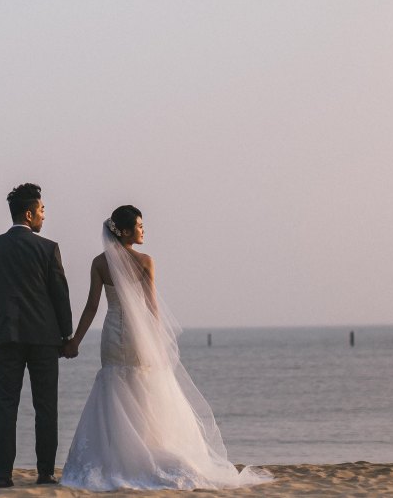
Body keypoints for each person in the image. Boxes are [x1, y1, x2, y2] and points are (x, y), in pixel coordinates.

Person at [60, 205, 271, 491]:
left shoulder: (99, 263)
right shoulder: (146, 261)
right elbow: (152, 309)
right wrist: (156, 340)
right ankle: (146, 450)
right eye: (139, 225)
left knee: (114, 386)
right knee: (145, 388)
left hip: (112, 332)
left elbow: (92, 307)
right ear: (124, 231)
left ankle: (119, 456)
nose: (143, 230)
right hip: (138, 335)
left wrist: (76, 341)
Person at [0, 183, 74, 488]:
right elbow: (60, 295)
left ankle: (3, 476)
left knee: (6, 406)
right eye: (42, 210)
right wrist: (66, 335)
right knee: (46, 407)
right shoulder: (48, 248)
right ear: (29, 214)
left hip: (6, 338)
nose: (44, 215)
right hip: (45, 338)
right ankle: (45, 473)